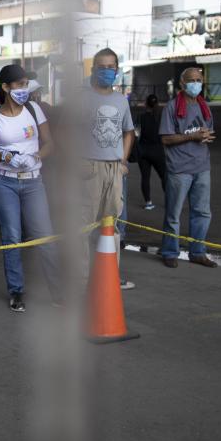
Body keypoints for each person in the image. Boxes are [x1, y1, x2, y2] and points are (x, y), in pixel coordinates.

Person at [0, 64, 62, 311]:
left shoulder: (33, 109)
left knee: (45, 236)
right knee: (12, 238)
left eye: (26, 84)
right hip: (4, 182)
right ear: (5, 87)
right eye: (19, 85)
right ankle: (16, 291)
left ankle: (58, 291)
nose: (23, 89)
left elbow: (50, 143)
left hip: (33, 181)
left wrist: (36, 157)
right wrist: (4, 157)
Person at [79, 48, 136, 289]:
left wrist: (122, 162)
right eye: (101, 67)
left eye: (110, 67)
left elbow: (128, 132)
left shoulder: (121, 100)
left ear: (117, 70)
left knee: (111, 227)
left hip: (114, 171)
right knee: (82, 228)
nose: (106, 71)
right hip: (88, 168)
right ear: (93, 71)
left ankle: (109, 276)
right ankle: (80, 281)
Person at [159, 67, 216, 269]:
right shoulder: (172, 107)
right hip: (179, 168)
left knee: (202, 212)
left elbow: (207, 132)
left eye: (199, 80)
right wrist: (193, 136)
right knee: (174, 214)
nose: (196, 83)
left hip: (202, 167)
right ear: (182, 85)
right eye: (191, 80)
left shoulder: (204, 107)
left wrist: (206, 136)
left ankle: (197, 252)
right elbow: (166, 138)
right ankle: (169, 252)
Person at [137, 94, 167, 210]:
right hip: (157, 151)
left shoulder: (141, 117)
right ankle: (169, 201)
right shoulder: (161, 118)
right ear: (157, 104)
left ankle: (148, 203)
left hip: (143, 151)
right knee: (164, 176)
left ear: (146, 104)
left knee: (145, 177)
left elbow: (136, 133)